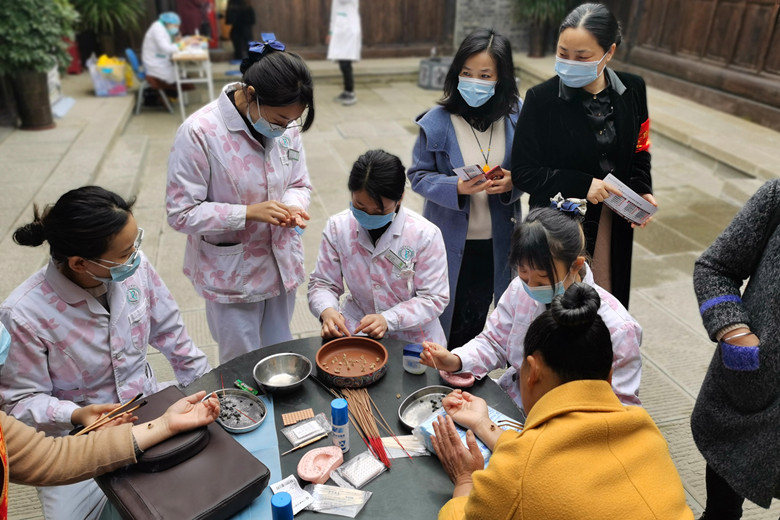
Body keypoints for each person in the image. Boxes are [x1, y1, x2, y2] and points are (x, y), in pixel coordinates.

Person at [0, 186, 211, 520]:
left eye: (136, 244)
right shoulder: (23, 314)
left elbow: (172, 332)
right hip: (76, 442)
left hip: (150, 407)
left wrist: (206, 384)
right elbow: (19, 401)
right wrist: (75, 414)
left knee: (193, 493)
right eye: (125, 253)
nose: (135, 257)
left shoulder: (136, 268)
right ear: (79, 263)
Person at [431, 283, 693, 519]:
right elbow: (552, 454)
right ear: (610, 375)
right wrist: (483, 423)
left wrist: (465, 480)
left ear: (532, 371)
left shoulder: (519, 473)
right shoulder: (647, 431)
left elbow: (529, 464)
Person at [166, 36, 314, 365]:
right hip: (232, 274)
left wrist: (293, 206)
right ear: (250, 94)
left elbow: (299, 182)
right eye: (279, 120)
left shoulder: (286, 125)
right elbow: (181, 213)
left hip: (281, 263)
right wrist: (248, 213)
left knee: (280, 354)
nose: (286, 128)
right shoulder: (200, 133)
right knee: (240, 363)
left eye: (292, 121)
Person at [421, 205, 642, 408]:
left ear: (576, 265)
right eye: (523, 273)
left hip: (571, 422)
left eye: (542, 278)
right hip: (515, 402)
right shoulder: (520, 289)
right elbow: (494, 341)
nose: (531, 286)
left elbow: (622, 406)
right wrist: (457, 360)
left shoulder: (618, 328)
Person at [510, 3, 655, 309]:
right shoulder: (541, 100)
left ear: (609, 52)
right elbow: (524, 171)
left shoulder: (633, 89)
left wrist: (642, 190)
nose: (569, 63)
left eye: (582, 57)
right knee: (561, 304)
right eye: (563, 53)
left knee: (607, 293)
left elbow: (640, 147)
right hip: (560, 225)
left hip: (613, 218)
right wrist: (582, 184)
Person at [407, 29, 523, 349]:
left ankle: (468, 372)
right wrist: (456, 186)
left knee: (478, 318)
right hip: (447, 241)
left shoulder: (516, 116)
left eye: (484, 75)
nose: (474, 82)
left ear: (501, 78)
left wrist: (514, 181)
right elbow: (418, 175)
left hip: (496, 242)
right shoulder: (438, 120)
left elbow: (533, 169)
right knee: (443, 317)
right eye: (467, 73)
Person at [692, 179, 780, 519]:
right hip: (752, 389)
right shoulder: (776, 197)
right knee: (721, 512)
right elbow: (715, 268)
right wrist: (735, 332)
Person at [1, 383, 219, 518]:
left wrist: (165, 424)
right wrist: (74, 414)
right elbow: (20, 402)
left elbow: (49, 457)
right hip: (69, 435)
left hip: (139, 416)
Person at [308, 149, 449, 343]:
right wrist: (327, 310)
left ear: (400, 198)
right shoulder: (337, 227)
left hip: (413, 338)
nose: (368, 216)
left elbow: (433, 297)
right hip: (357, 329)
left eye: (379, 210)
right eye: (360, 206)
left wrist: (388, 319)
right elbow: (323, 283)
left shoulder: (424, 235)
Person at [326, 0, 361, 105]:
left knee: (345, 64)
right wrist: (330, 32)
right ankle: (347, 91)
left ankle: (350, 93)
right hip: (340, 31)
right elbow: (334, 13)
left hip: (349, 31)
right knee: (342, 63)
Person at [141, 12, 183, 97]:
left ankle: (173, 96)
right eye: (176, 26)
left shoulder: (163, 28)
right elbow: (166, 48)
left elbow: (168, 44)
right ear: (169, 23)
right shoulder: (157, 29)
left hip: (159, 61)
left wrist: (177, 40)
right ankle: (172, 96)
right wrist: (181, 45)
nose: (177, 28)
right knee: (179, 77)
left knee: (180, 74)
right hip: (154, 65)